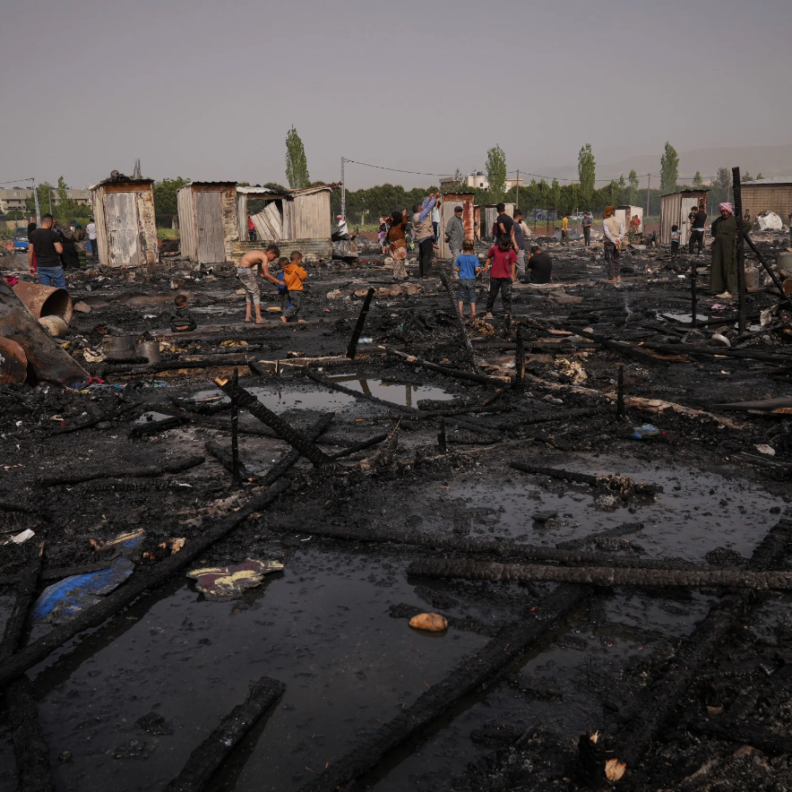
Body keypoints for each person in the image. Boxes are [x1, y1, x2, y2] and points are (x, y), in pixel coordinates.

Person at [710, 202, 750, 299]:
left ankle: (729, 291)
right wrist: (716, 236)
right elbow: (713, 228)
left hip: (729, 247)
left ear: (729, 211)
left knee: (729, 267)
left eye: (725, 211)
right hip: (719, 248)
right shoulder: (719, 220)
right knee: (719, 267)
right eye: (722, 211)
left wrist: (738, 235)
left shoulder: (734, 220)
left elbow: (747, 225)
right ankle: (721, 288)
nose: (724, 213)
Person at [236, 244, 281, 323]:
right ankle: (259, 318)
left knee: (249, 292)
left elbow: (260, 273)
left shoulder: (260, 254)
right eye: (274, 257)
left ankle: (248, 316)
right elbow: (266, 274)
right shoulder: (264, 257)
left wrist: (271, 281)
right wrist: (279, 281)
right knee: (256, 292)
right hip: (246, 270)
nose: (273, 259)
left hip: (240, 270)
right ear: (270, 253)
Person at [484, 236, 517, 318]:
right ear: (500, 242)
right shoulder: (494, 249)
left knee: (506, 295)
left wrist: (512, 275)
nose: (504, 247)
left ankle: (507, 313)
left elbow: (513, 264)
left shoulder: (511, 252)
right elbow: (489, 257)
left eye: (506, 246)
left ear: (509, 244)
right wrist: (486, 266)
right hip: (494, 276)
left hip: (506, 277)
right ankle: (488, 311)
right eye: (502, 245)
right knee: (492, 294)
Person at [28, 214, 65, 288]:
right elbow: (60, 250)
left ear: (42, 222)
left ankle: (48, 300)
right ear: (50, 223)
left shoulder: (33, 234)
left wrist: (31, 266)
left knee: (46, 289)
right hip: (54, 265)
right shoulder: (53, 234)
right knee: (61, 288)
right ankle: (62, 299)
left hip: (41, 265)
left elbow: (30, 252)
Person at [453, 239, 481, 319]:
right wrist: (479, 268)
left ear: (463, 247)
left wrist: (460, 270)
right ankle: (473, 312)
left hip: (462, 279)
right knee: (472, 296)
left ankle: (460, 312)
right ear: (472, 248)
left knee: (461, 296)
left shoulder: (460, 257)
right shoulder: (474, 258)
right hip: (471, 279)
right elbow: (476, 269)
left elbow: (455, 268)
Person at [413, 193, 438, 278]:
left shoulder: (417, 215)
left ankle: (422, 273)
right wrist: (434, 198)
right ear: (419, 210)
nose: (421, 208)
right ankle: (426, 275)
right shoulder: (421, 215)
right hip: (426, 238)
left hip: (421, 239)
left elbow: (424, 206)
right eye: (420, 208)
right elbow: (428, 208)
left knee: (422, 257)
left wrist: (428, 198)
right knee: (427, 257)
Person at [280, 251, 307, 323]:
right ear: (297, 259)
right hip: (297, 289)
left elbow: (286, 279)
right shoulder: (296, 268)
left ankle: (300, 318)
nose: (301, 262)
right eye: (300, 260)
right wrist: (302, 270)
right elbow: (303, 277)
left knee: (300, 305)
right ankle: (285, 316)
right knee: (295, 305)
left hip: (291, 290)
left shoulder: (287, 269)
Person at [602, 205, 624, 283]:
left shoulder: (605, 221)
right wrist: (618, 239)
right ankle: (618, 276)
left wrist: (613, 240)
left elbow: (607, 233)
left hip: (609, 243)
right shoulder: (618, 220)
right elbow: (622, 232)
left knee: (610, 260)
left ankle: (612, 278)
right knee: (616, 259)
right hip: (618, 243)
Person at [387, 209, 409, 279]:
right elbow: (387, 221)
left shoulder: (401, 225)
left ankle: (395, 276)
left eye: (393, 217)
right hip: (393, 246)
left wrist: (404, 215)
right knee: (400, 262)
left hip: (400, 246)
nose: (391, 219)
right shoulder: (393, 225)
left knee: (398, 261)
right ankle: (404, 275)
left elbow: (405, 223)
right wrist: (390, 218)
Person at [512, 209, 528, 273]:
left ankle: (516, 278)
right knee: (521, 265)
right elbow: (512, 234)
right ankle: (522, 279)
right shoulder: (514, 224)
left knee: (517, 264)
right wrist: (515, 245)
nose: (522, 218)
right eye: (521, 216)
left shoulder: (516, 224)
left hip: (519, 247)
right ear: (519, 216)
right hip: (517, 248)